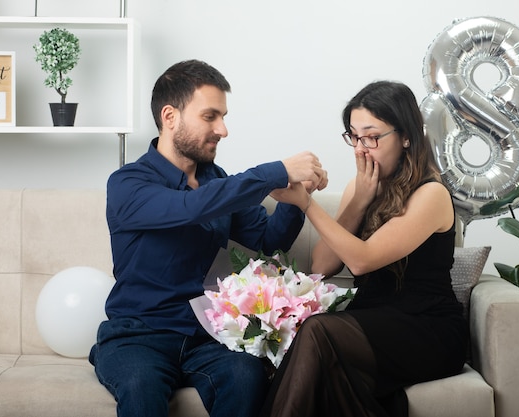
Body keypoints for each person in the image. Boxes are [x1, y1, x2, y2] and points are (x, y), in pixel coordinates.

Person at [89, 59, 328, 417]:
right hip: (138, 336)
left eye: (224, 116)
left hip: (207, 337)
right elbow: (189, 208)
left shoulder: (218, 181)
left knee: (247, 377)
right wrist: (275, 171)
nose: (223, 129)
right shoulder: (128, 183)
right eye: (210, 116)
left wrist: (298, 198)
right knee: (141, 388)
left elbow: (265, 240)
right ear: (170, 117)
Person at [261, 81, 468, 417]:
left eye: (371, 137)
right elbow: (322, 264)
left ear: (405, 137)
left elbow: (361, 261)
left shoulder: (431, 194)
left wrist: (307, 204)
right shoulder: (360, 187)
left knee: (318, 330)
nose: (360, 149)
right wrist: (359, 200)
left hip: (427, 328)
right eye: (354, 137)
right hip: (371, 321)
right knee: (324, 360)